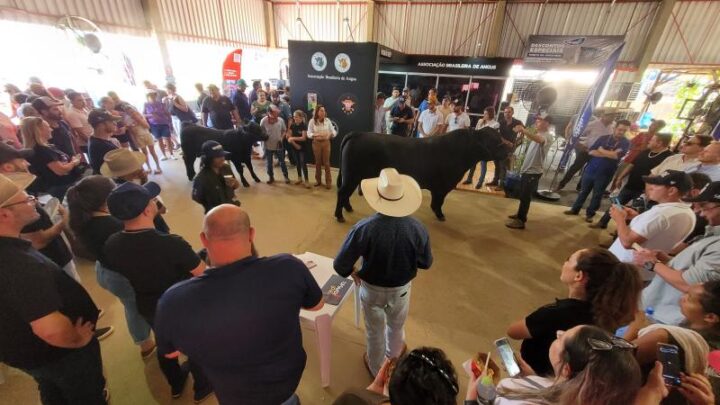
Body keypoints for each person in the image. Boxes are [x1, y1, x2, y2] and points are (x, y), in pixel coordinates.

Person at [155, 205, 323, 404]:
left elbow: (171, 352)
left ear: (203, 239)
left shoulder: (173, 301)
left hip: (234, 394)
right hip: (286, 382)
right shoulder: (288, 267)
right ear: (251, 234)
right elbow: (317, 305)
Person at [0, 172, 108, 404]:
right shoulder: (19, 266)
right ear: (4, 214)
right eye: (26, 199)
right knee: (85, 393)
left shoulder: (12, 250)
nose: (34, 201)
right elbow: (50, 330)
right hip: (58, 354)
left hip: (26, 354)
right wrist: (76, 340)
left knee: (52, 388)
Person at [103, 181, 212, 401]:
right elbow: (202, 273)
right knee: (196, 345)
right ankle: (203, 386)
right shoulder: (171, 243)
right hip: (181, 304)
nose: (155, 202)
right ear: (147, 209)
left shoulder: (112, 243)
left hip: (149, 305)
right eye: (151, 199)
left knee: (165, 344)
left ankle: (175, 383)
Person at [334, 168, 432, 377]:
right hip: (401, 290)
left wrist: (352, 271)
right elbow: (426, 263)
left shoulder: (364, 228)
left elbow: (340, 264)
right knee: (397, 327)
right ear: (403, 198)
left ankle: (377, 369)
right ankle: (394, 361)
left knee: (374, 331)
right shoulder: (418, 228)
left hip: (371, 289)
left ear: (377, 197)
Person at [506, 248, 642, 376]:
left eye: (569, 259)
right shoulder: (607, 315)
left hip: (534, 373)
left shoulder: (556, 312)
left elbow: (514, 331)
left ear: (579, 275)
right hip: (568, 381)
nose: (565, 262)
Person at [66, 176, 156, 359]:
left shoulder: (82, 219)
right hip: (123, 276)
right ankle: (146, 343)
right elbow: (141, 248)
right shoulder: (112, 226)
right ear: (106, 199)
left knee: (131, 305)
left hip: (104, 270)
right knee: (138, 307)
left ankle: (144, 341)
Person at [487, 325, 641, 405]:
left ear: (566, 369)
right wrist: (532, 378)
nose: (558, 333)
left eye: (561, 338)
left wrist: (472, 397)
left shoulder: (510, 390)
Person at [636, 181, 720, 325]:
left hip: (663, 318)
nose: (699, 211)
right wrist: (668, 260)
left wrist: (652, 263)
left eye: (705, 206)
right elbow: (695, 270)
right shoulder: (714, 234)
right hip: (653, 308)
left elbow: (690, 284)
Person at [608, 170, 696, 277]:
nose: (650, 187)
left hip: (623, 266)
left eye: (657, 185)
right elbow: (658, 231)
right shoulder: (688, 212)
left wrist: (620, 219)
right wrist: (637, 217)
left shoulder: (661, 214)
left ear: (672, 190)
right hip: (642, 272)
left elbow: (627, 242)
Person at [592, 133, 674, 229]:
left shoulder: (668, 157)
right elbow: (632, 165)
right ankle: (603, 222)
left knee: (632, 213)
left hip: (645, 192)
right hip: (630, 185)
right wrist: (620, 178)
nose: (649, 141)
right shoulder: (646, 151)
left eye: (652, 140)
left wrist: (649, 192)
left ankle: (619, 235)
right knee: (616, 204)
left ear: (659, 143)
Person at [565, 119, 631, 222]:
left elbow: (615, 156)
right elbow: (591, 152)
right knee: (583, 191)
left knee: (597, 195)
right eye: (620, 129)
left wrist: (600, 150)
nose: (621, 132)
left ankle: (590, 214)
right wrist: (610, 153)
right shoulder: (603, 138)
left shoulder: (625, 143)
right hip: (591, 169)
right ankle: (575, 209)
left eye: (624, 130)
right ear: (615, 128)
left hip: (606, 173)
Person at [100, 148, 171, 234]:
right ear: (130, 171)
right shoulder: (131, 193)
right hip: (153, 229)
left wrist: (143, 181)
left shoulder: (114, 189)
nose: (140, 167)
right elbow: (162, 209)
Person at [505, 114, 553, 230]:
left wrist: (524, 130)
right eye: (536, 119)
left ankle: (521, 220)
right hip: (528, 170)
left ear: (547, 123)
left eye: (540, 120)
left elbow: (540, 140)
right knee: (523, 195)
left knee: (526, 197)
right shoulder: (538, 133)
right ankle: (520, 214)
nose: (537, 121)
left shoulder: (547, 136)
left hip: (533, 172)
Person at [555, 109, 617, 192]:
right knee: (575, 167)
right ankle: (561, 185)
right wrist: (578, 144)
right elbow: (577, 133)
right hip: (587, 150)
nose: (613, 118)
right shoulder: (594, 124)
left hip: (599, 153)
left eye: (614, 116)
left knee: (588, 170)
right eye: (611, 116)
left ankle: (580, 187)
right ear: (603, 116)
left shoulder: (612, 126)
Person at [21, 116, 82, 200]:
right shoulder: (41, 150)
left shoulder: (45, 147)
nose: (51, 129)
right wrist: (74, 162)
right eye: (48, 127)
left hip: (62, 185)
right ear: (39, 130)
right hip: (60, 187)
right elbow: (61, 170)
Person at [192, 141, 240, 213]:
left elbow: (235, 186)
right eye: (218, 157)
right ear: (208, 159)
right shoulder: (201, 178)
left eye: (222, 155)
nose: (222, 159)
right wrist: (209, 203)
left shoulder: (226, 168)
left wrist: (235, 183)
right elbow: (196, 197)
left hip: (231, 207)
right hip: (215, 212)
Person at [464, 106, 500, 188]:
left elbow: (494, 137)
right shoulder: (480, 121)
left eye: (486, 114)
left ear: (490, 114)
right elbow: (476, 131)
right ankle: (469, 179)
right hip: (477, 145)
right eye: (484, 113)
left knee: (483, 165)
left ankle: (480, 181)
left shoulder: (495, 124)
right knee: (472, 163)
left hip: (485, 147)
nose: (484, 115)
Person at [488, 106, 523, 189]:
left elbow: (523, 133)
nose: (507, 114)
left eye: (509, 112)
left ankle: (501, 185)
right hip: (499, 146)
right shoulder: (501, 122)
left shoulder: (517, 122)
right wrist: (505, 141)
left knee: (503, 165)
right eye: (505, 112)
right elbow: (497, 134)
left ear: (513, 113)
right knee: (497, 164)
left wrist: (516, 142)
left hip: (509, 148)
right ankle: (495, 181)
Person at [307, 105, 337, 189]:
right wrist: (316, 134)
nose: (323, 112)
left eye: (324, 111)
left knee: (327, 163)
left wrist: (330, 135)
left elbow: (334, 131)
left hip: (326, 143)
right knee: (318, 163)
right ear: (317, 112)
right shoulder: (312, 121)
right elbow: (308, 133)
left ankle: (328, 182)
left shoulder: (328, 121)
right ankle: (318, 181)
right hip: (316, 143)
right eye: (321, 111)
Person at [260, 105, 290, 184]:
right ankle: (271, 177)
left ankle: (286, 176)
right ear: (269, 112)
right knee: (269, 163)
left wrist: (281, 138)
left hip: (278, 145)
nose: (277, 114)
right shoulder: (263, 121)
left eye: (277, 112)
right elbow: (260, 132)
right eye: (275, 112)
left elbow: (284, 130)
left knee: (282, 162)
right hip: (268, 146)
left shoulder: (280, 120)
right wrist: (263, 138)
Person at [143, 90, 175, 161]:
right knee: (159, 140)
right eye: (150, 96)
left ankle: (172, 154)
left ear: (156, 96)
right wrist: (151, 115)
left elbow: (167, 113)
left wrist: (170, 123)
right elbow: (143, 115)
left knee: (168, 139)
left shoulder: (161, 104)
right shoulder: (146, 105)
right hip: (154, 125)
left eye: (153, 96)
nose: (152, 97)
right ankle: (164, 155)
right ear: (147, 97)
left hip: (164, 123)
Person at [64, 91, 93, 157]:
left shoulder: (83, 108)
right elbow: (81, 133)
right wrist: (92, 143)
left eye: (83, 99)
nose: (83, 102)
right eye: (79, 100)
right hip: (87, 143)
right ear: (72, 102)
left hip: (93, 138)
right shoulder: (72, 114)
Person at [286, 110, 310, 187]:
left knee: (303, 163)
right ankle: (299, 178)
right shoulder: (292, 125)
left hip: (303, 147)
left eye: (296, 116)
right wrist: (295, 144)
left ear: (301, 117)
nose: (294, 118)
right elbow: (288, 137)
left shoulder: (304, 125)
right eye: (294, 116)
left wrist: (292, 138)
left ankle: (306, 180)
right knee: (298, 163)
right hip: (295, 147)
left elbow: (303, 138)